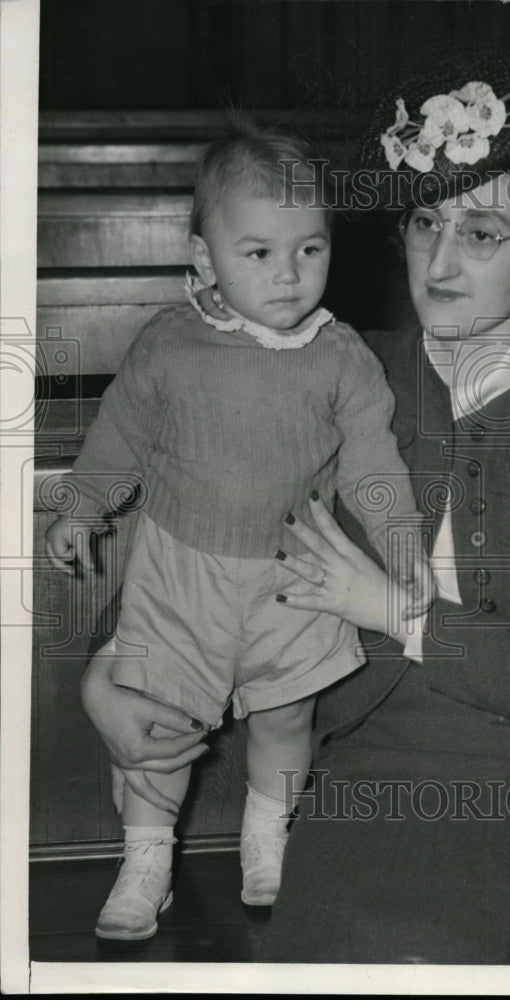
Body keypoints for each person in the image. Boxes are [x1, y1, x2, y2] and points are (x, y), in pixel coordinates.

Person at [79, 50, 510, 963]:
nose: (439, 261)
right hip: (368, 749)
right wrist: (106, 670)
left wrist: (390, 607)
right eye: (423, 222)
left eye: (480, 235)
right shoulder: (334, 374)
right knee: (342, 957)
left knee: (479, 954)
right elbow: (208, 525)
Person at [45, 120, 429, 941]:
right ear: (202, 257)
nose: (289, 276)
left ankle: (267, 840)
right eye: (258, 253)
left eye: (309, 250)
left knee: (286, 718)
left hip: (294, 573)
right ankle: (145, 861)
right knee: (157, 719)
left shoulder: (341, 357)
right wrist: (81, 506)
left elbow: (370, 461)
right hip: (181, 572)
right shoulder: (171, 344)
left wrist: (399, 540)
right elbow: (120, 435)